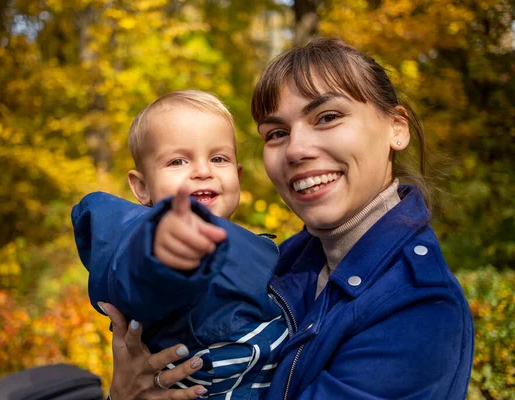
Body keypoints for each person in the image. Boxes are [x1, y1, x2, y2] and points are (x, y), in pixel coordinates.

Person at [99, 38, 475, 400]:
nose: (296, 149)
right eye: (277, 133)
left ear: (396, 128)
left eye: (327, 117)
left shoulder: (418, 308)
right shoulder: (289, 259)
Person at [72, 90, 290, 399]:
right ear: (142, 187)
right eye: (178, 161)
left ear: (237, 176)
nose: (203, 171)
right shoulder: (146, 242)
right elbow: (135, 271)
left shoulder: (265, 249)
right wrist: (162, 249)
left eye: (219, 158)